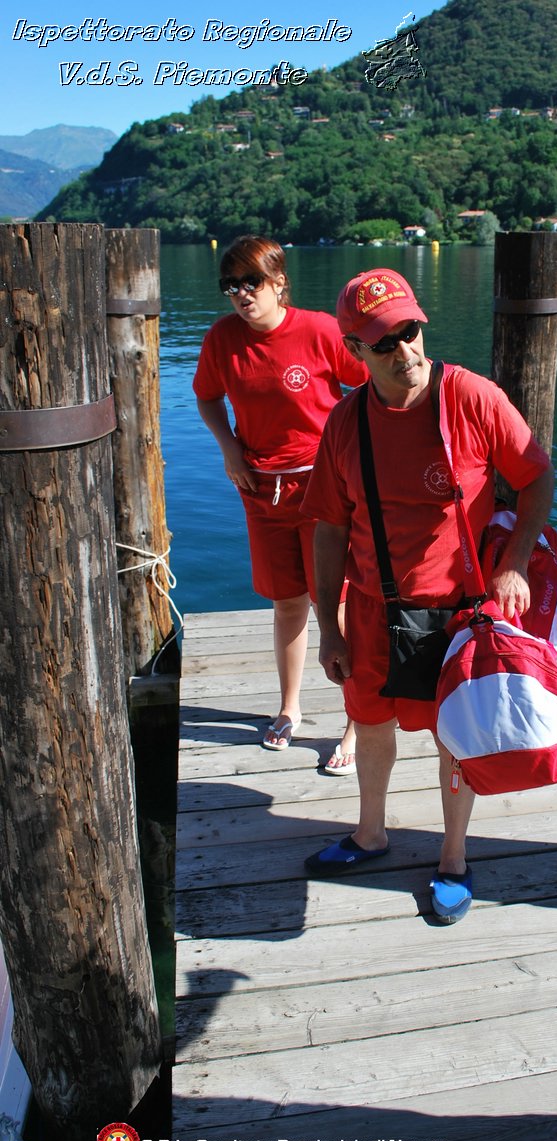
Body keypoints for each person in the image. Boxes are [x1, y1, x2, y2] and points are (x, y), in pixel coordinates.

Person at [300, 268, 555, 922]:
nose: (404, 352)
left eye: (410, 332)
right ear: (355, 351)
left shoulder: (470, 397)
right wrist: (326, 627)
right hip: (372, 611)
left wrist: (518, 562)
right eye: (383, 343)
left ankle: (452, 857)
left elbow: (535, 476)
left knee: (455, 739)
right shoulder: (346, 423)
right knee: (373, 726)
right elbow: (328, 529)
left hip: (460, 614)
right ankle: (371, 833)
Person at [192, 236, 367, 773]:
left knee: (334, 605)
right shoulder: (223, 339)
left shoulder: (317, 330)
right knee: (287, 601)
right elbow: (206, 396)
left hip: (322, 491)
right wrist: (230, 450)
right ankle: (289, 708)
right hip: (260, 491)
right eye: (231, 286)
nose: (241, 295)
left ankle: (355, 722)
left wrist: (350, 464)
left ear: (279, 283)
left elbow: (365, 388)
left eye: (252, 283)